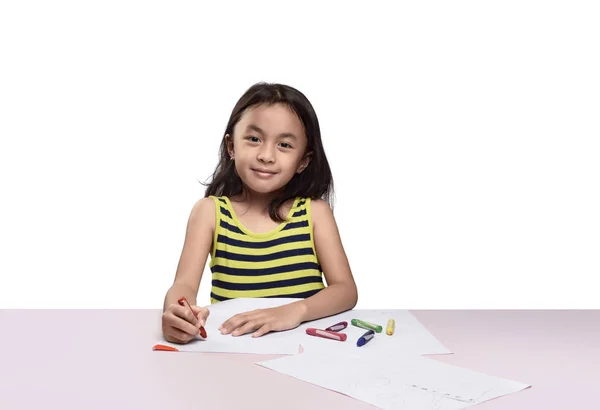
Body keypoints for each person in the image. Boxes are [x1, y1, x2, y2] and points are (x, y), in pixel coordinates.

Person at [161, 82, 358, 343]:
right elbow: (183, 285)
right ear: (231, 146)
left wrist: (294, 311)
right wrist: (178, 312)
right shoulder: (210, 212)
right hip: (234, 346)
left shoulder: (314, 213)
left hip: (307, 348)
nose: (266, 155)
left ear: (303, 160)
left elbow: (345, 291)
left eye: (285, 145)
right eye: (254, 139)